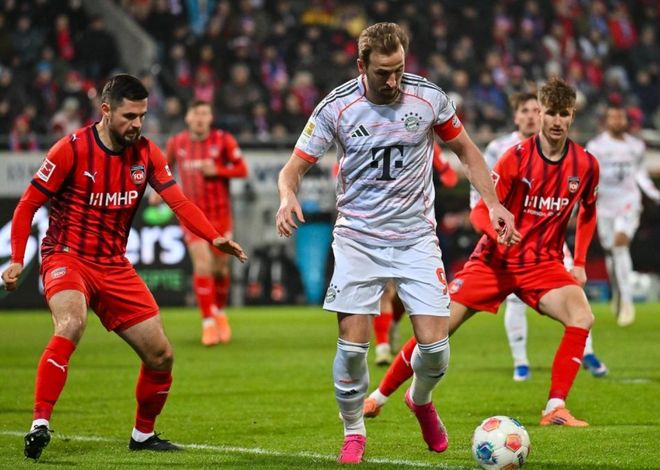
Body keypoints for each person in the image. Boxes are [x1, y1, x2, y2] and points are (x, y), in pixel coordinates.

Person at [276, 23, 515, 464]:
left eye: (399, 70)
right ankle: (354, 431)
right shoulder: (336, 107)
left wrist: (493, 203)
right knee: (352, 351)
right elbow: (292, 168)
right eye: (383, 72)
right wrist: (287, 195)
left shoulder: (429, 99)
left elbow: (467, 151)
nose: (393, 80)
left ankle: (420, 400)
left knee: (436, 351)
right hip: (358, 239)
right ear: (361, 65)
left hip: (415, 238)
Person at [1, 74, 247, 460]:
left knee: (161, 355)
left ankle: (143, 435)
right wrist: (17, 258)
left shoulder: (147, 153)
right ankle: (39, 424)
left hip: (114, 265)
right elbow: (27, 205)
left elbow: (179, 202)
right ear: (105, 110)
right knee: (71, 323)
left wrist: (213, 237)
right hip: (67, 256)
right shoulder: (71, 149)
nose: (137, 124)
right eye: (129, 116)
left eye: (142, 116)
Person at [363, 77, 601, 429]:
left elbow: (589, 211)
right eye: (550, 112)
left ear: (572, 116)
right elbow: (478, 212)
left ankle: (555, 407)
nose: (556, 121)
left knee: (582, 316)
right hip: (494, 262)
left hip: (542, 265)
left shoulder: (585, 165)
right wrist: (498, 232)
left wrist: (579, 262)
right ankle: (379, 396)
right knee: (435, 332)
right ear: (540, 112)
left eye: (563, 114)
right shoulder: (515, 159)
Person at [470, 92, 607, 381]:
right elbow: (482, 190)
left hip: (549, 243)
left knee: (575, 296)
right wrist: (493, 226)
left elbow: (586, 208)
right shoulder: (501, 150)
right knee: (513, 301)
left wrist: (580, 261)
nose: (532, 116)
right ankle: (521, 362)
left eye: (535, 110)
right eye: (526, 110)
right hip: (510, 240)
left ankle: (587, 352)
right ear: (516, 116)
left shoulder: (572, 157)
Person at [152, 100, 248, 346]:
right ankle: (208, 322)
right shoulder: (177, 143)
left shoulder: (223, 140)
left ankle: (219, 313)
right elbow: (162, 169)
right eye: (196, 113)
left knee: (220, 269)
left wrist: (218, 170)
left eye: (205, 113)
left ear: (210, 118)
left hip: (221, 215)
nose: (200, 118)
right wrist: (157, 191)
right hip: (192, 216)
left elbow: (242, 170)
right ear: (188, 118)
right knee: (202, 265)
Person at [373, 142, 458, 366]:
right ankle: (382, 347)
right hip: (379, 221)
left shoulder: (424, 143)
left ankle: (392, 324)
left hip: (416, 226)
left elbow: (450, 178)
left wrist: (429, 176)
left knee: (402, 289)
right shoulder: (376, 141)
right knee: (384, 286)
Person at [586, 105, 660, 327]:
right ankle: (618, 291)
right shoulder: (596, 146)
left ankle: (627, 302)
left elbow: (640, 174)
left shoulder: (636, 146)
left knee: (620, 245)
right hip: (605, 205)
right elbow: (590, 176)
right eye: (613, 117)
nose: (617, 121)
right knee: (611, 253)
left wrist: (655, 194)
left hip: (628, 202)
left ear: (626, 120)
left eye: (620, 117)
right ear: (606, 121)